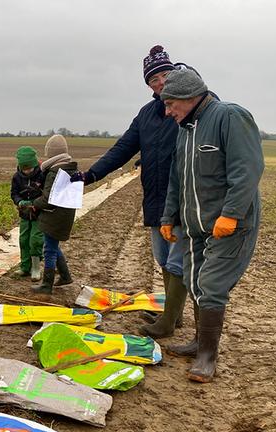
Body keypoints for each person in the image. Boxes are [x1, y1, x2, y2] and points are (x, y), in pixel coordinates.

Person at [72, 46, 189, 339]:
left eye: (164, 75)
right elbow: (123, 148)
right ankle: (174, 314)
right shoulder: (147, 114)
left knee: (178, 261)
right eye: (153, 80)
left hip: (185, 197)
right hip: (155, 197)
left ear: (175, 73)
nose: (159, 83)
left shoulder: (192, 107)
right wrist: (92, 174)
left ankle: (169, 321)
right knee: (164, 259)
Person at [160, 68, 264, 383]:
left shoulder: (229, 117)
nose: (167, 111)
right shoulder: (185, 129)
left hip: (229, 225)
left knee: (212, 285)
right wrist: (169, 216)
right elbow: (177, 178)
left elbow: (247, 169)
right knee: (194, 280)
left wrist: (231, 213)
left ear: (188, 97)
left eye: (170, 104)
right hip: (195, 227)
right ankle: (197, 342)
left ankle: (208, 356)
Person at [31, 135, 78, 294]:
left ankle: (46, 284)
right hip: (65, 214)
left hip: (54, 215)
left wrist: (33, 204)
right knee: (53, 245)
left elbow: (48, 199)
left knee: (49, 250)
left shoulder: (55, 172)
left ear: (51, 152)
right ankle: (65, 276)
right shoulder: (72, 169)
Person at [11, 146, 45, 281]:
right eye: (24, 169)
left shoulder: (42, 175)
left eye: (29, 168)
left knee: (35, 240)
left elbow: (46, 193)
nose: (27, 171)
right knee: (23, 240)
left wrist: (36, 203)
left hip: (39, 214)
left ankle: (36, 268)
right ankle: (25, 267)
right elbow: (14, 193)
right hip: (24, 214)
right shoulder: (17, 177)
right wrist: (19, 202)